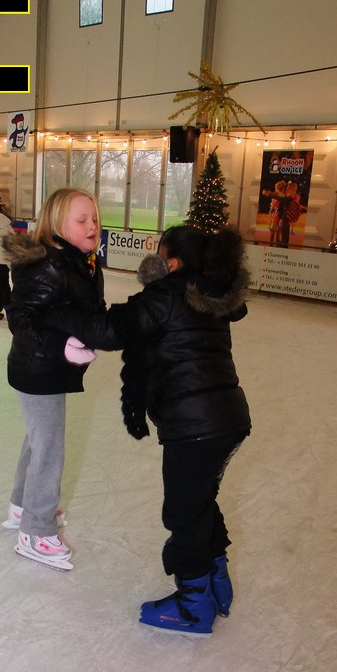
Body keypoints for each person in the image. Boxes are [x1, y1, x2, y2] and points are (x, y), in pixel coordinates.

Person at [44, 224, 251, 634]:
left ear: (170, 263)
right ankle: (216, 579)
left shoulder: (166, 295)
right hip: (227, 418)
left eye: (159, 254)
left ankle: (194, 605)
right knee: (200, 501)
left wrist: (54, 313)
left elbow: (108, 330)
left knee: (183, 512)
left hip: (194, 426)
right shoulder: (209, 297)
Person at [2, 188, 104, 571]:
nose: (92, 225)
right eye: (82, 220)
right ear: (58, 225)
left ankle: (21, 506)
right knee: (49, 449)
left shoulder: (82, 263)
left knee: (38, 440)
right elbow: (21, 319)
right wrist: (62, 346)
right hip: (38, 369)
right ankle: (36, 531)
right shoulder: (47, 266)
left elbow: (90, 312)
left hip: (49, 367)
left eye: (94, 218)